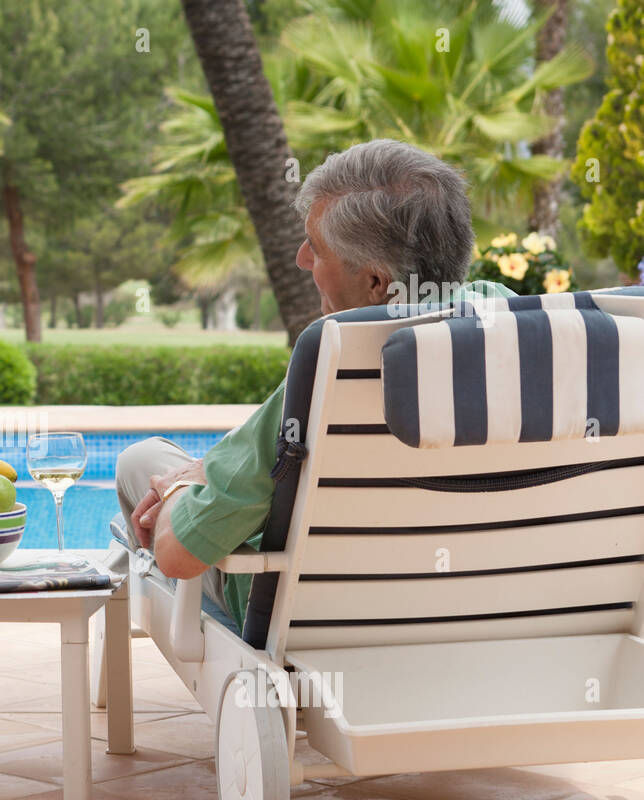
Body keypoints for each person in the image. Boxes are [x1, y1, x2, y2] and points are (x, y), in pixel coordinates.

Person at [116, 139, 516, 633]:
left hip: (316, 622)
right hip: (490, 610)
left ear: (375, 281)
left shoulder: (333, 369)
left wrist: (178, 485)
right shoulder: (515, 328)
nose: (303, 259)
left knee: (141, 462)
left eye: (317, 248)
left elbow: (180, 557)